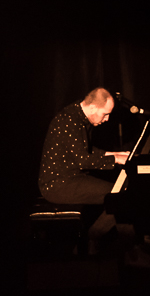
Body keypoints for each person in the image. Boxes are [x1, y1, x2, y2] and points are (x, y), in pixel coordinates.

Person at [39, 87, 132, 253]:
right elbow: (83, 160)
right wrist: (116, 159)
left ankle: (126, 247)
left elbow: (84, 151)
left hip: (71, 178)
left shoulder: (77, 116)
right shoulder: (69, 120)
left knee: (123, 194)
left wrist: (116, 153)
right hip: (58, 184)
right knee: (121, 196)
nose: (107, 119)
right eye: (105, 114)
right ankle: (96, 238)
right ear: (93, 107)